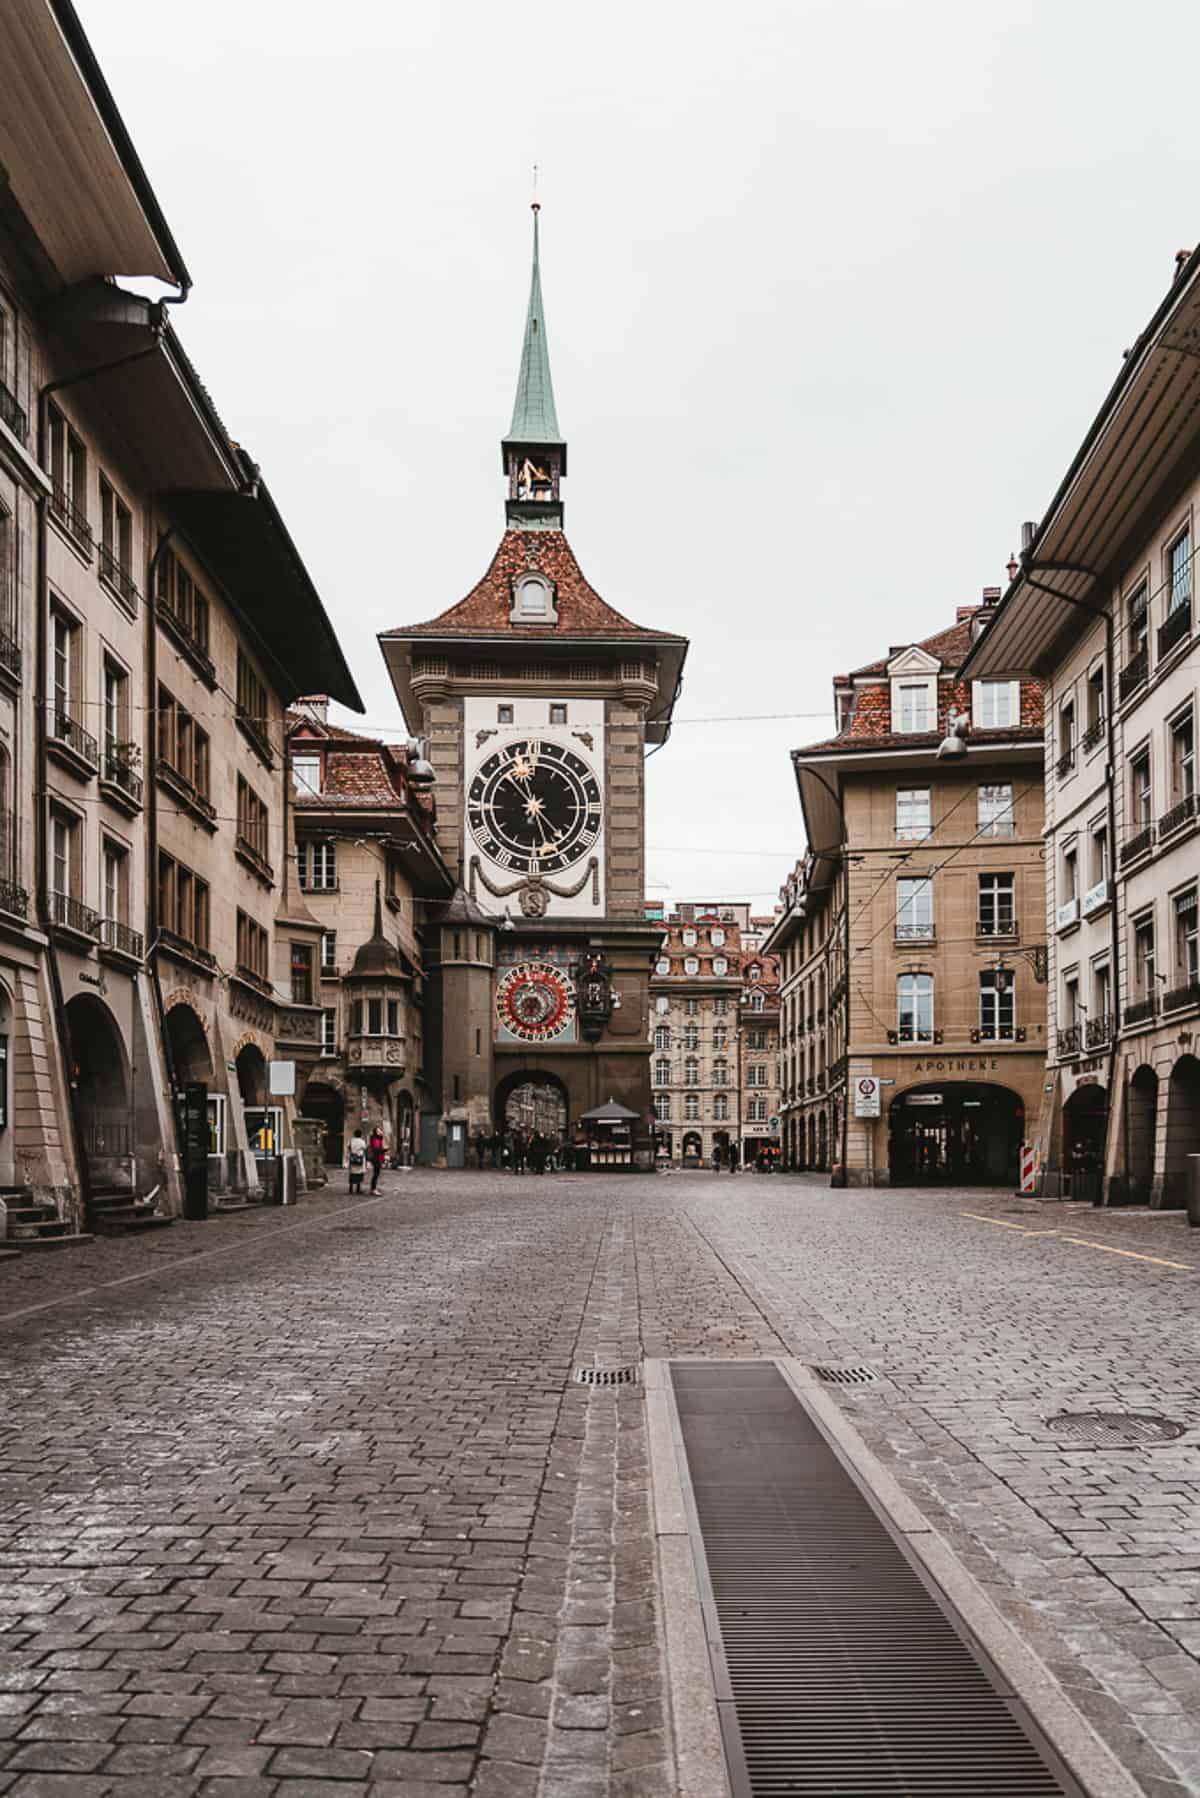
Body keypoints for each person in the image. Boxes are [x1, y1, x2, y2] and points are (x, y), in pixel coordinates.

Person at [347, 1130, 367, 1194]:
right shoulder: (362, 1141)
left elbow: (349, 1147)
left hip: (353, 1158)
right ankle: (358, 1189)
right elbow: (364, 1148)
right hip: (359, 1159)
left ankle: (351, 1188)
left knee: (352, 1174)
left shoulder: (351, 1140)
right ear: (360, 1135)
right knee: (359, 1174)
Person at [368, 1127, 386, 1193]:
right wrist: (384, 1150)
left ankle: (373, 1188)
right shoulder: (376, 1139)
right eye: (378, 1131)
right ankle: (373, 1189)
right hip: (376, 1158)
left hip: (377, 1158)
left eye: (380, 1130)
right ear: (376, 1133)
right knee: (376, 1174)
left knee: (376, 1174)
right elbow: (376, 1150)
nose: (380, 1132)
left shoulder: (378, 1139)